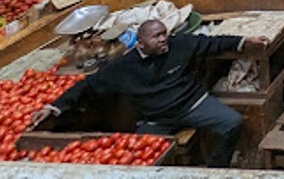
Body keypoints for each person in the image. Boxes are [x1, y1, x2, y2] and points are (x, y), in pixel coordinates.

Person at [31, 19, 269, 168]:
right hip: (156, 119)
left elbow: (212, 43)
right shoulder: (122, 67)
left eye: (164, 33)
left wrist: (244, 40)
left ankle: (216, 170)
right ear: (141, 44)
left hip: (193, 105)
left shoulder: (179, 44)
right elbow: (87, 85)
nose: (164, 39)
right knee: (141, 158)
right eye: (157, 37)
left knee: (233, 123)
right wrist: (53, 107)